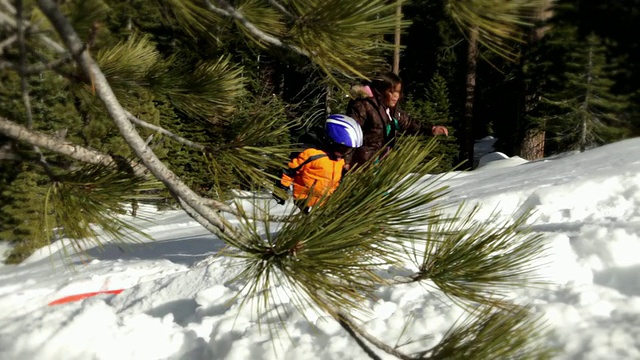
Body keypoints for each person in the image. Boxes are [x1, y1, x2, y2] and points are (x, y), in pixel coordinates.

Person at [346, 71, 448, 170]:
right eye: (391, 91)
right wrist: (346, 160)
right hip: (360, 165)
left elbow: (407, 123)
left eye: (398, 92)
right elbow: (349, 133)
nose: (396, 96)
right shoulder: (362, 105)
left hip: (380, 163)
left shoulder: (390, 108)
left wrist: (431, 129)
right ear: (381, 91)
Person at [272, 114, 363, 213]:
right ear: (332, 141)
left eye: (348, 150)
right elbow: (289, 170)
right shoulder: (311, 153)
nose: (344, 153)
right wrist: (280, 190)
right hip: (303, 202)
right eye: (343, 149)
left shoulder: (338, 159)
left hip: (325, 202)